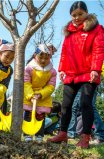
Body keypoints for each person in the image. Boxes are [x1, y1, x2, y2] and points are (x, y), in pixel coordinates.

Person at [47, 1, 104, 148]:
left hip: (88, 73)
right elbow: (65, 52)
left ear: (86, 13)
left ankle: (85, 137)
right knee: (66, 105)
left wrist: (95, 70)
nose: (77, 17)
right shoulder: (69, 32)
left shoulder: (96, 29)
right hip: (71, 74)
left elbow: (99, 50)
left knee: (85, 104)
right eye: (74, 15)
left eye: (80, 14)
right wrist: (62, 69)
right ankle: (63, 133)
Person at [23, 44, 57, 142]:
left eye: (46, 58)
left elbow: (51, 86)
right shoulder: (29, 69)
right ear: (35, 56)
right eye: (40, 57)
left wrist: (41, 94)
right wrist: (31, 95)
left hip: (43, 97)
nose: (43, 60)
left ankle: (39, 135)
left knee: (40, 118)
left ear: (50, 58)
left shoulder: (52, 72)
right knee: (28, 115)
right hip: (30, 95)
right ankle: (27, 134)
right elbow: (26, 83)